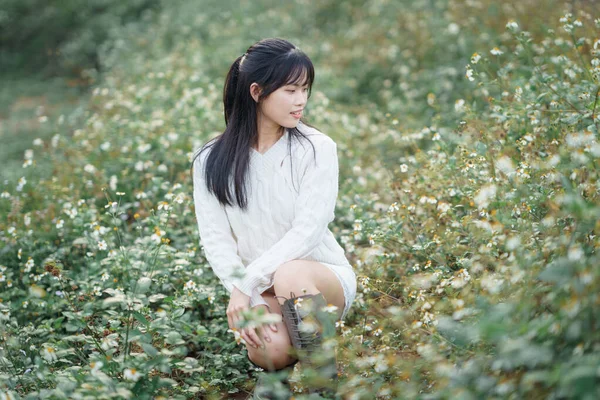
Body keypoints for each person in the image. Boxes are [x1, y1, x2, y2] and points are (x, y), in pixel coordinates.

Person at [191, 37, 357, 399]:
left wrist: (245, 283)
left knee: (290, 272)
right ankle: (275, 383)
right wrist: (244, 292)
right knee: (265, 347)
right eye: (291, 90)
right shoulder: (209, 159)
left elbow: (309, 232)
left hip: (318, 279)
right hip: (259, 290)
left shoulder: (316, 148)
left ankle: (321, 389)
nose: (301, 101)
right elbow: (216, 239)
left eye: (305, 90)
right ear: (256, 91)